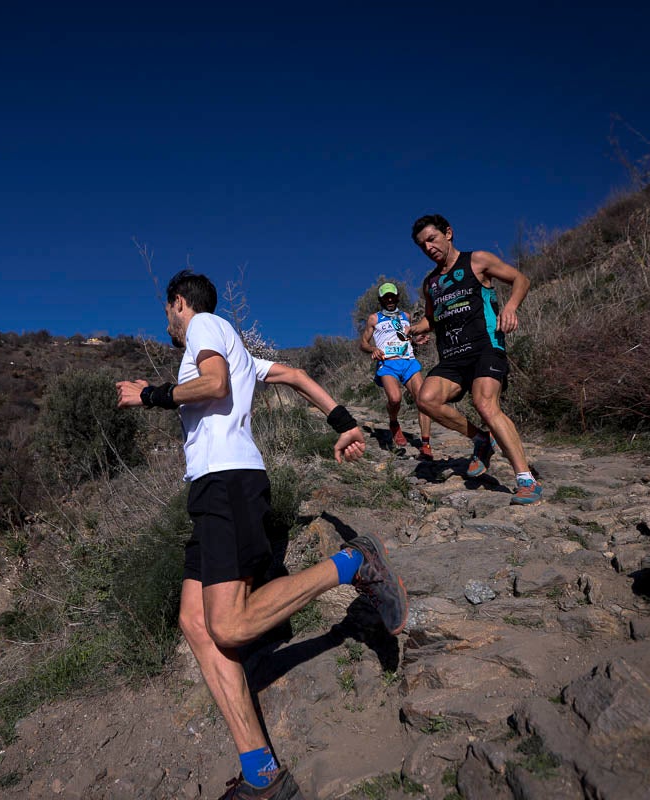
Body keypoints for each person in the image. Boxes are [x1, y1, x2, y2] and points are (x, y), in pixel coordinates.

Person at [116, 270, 408, 799]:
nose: (170, 323)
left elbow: (213, 385)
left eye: (168, 313)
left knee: (226, 628)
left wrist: (150, 394)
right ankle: (262, 774)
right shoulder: (239, 348)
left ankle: (353, 563)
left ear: (177, 303)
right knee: (196, 624)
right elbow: (296, 375)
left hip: (228, 482)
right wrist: (343, 421)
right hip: (215, 488)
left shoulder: (203, 323)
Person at [406, 214, 543, 504]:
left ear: (448, 233)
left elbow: (521, 279)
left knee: (485, 404)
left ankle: (525, 479)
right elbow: (432, 318)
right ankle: (481, 439)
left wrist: (511, 308)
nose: (428, 247)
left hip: (485, 347)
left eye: (432, 239)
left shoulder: (477, 260)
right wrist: (416, 329)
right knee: (426, 399)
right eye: (422, 245)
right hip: (453, 356)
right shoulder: (430, 283)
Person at [358, 282, 433, 457]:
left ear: (398, 297)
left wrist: (416, 340)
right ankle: (393, 423)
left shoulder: (405, 316)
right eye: (386, 297)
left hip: (408, 362)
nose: (390, 300)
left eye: (392, 296)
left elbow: (404, 337)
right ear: (381, 300)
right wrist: (373, 349)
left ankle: (426, 445)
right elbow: (363, 343)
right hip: (388, 364)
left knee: (423, 400)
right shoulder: (374, 319)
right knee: (395, 398)